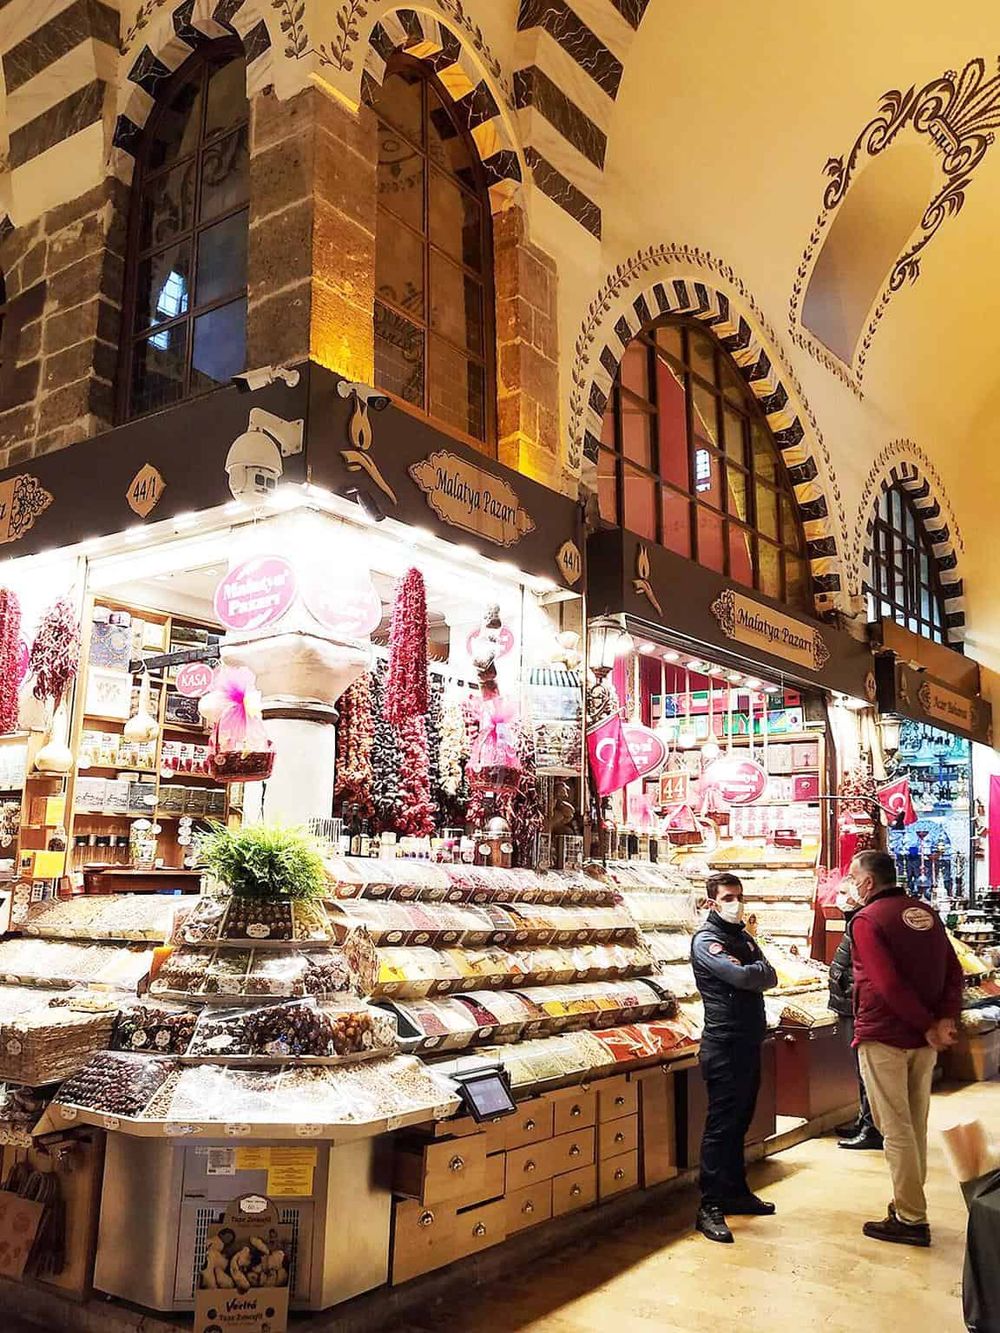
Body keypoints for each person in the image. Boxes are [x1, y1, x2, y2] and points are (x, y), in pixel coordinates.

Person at [847, 849, 963, 1247]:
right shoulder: (925, 913)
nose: (851, 886)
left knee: (894, 1128)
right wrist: (943, 1020)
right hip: (923, 1040)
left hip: (885, 1035)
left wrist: (929, 1024)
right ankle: (908, 1204)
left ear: (868, 882)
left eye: (853, 879)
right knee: (914, 1124)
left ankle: (911, 1218)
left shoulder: (867, 920)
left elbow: (886, 984)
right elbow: (954, 971)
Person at [691, 871, 778, 1244]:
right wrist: (753, 972)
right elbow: (743, 977)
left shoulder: (742, 937)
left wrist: (753, 972)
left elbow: (769, 975)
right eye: (728, 897)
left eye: (739, 896)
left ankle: (736, 1191)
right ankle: (710, 1204)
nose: (736, 903)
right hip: (723, 1045)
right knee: (721, 1126)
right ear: (712, 902)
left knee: (741, 1120)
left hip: (748, 1041)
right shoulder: (706, 940)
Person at [827, 883, 883, 1151]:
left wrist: (849, 993)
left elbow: (864, 971)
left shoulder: (864, 923)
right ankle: (865, 1121)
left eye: (846, 892)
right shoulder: (854, 921)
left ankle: (872, 1128)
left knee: (866, 1071)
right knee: (860, 1071)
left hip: (856, 1007)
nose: (840, 898)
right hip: (849, 1005)